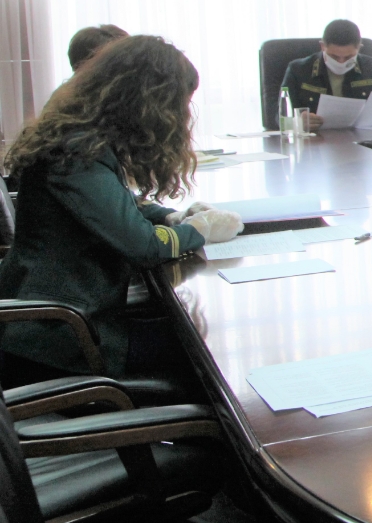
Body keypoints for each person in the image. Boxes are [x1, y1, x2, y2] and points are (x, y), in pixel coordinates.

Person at [0, 35, 243, 383]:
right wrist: (199, 231)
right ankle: (196, 419)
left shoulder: (81, 138)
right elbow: (143, 246)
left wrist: (172, 217)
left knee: (193, 325)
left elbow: (117, 207)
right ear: (148, 102)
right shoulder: (76, 154)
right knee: (211, 343)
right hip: (57, 340)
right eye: (179, 104)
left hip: (70, 318)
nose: (182, 116)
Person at [282, 19, 372, 131]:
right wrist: (297, 122)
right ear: (322, 46)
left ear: (359, 48)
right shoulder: (298, 70)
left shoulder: (371, 67)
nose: (341, 62)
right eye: (334, 56)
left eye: (348, 57)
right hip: (315, 141)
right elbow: (278, 116)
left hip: (362, 140)